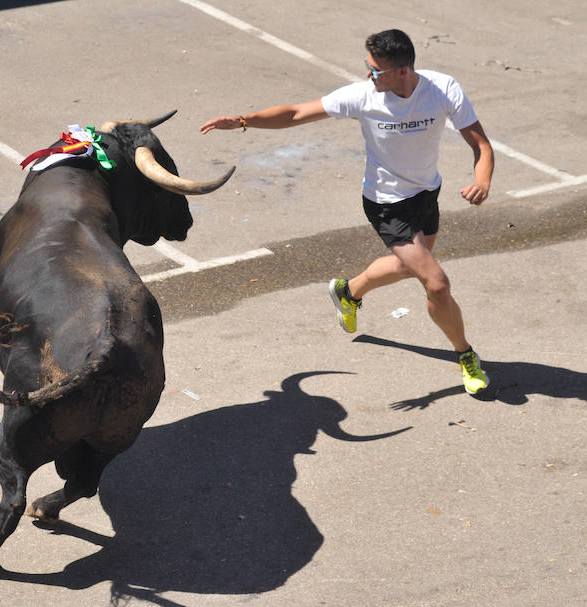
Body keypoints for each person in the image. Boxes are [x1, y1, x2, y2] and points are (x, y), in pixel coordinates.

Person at [199, 29, 494, 395]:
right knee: (436, 283)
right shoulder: (362, 96)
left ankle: (349, 291)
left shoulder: (443, 89)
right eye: (367, 67)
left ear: (403, 71)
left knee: (407, 265)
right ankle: (466, 354)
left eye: (376, 70)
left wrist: (482, 180)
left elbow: (480, 143)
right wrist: (244, 121)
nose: (369, 76)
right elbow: (294, 114)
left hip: (426, 193)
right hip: (386, 203)